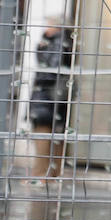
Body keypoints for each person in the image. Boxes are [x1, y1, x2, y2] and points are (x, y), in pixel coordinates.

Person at [28, 24, 75, 179]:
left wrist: (41, 50)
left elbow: (50, 71)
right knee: (56, 137)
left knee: (43, 137)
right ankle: (52, 175)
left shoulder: (57, 42)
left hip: (47, 98)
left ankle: (40, 175)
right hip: (55, 98)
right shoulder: (65, 40)